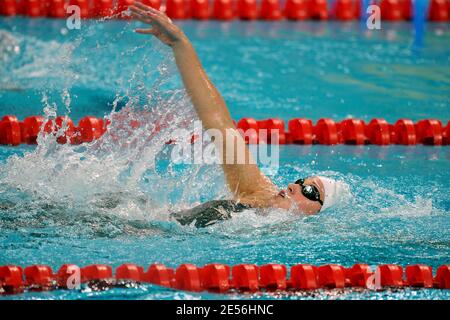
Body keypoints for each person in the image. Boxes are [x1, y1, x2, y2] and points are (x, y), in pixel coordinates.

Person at [129, 3, 345, 227]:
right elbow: (219, 123)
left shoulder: (289, 235)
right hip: (139, 223)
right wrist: (180, 43)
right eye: (300, 182)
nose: (293, 186)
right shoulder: (257, 191)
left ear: (316, 212)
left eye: (308, 190)